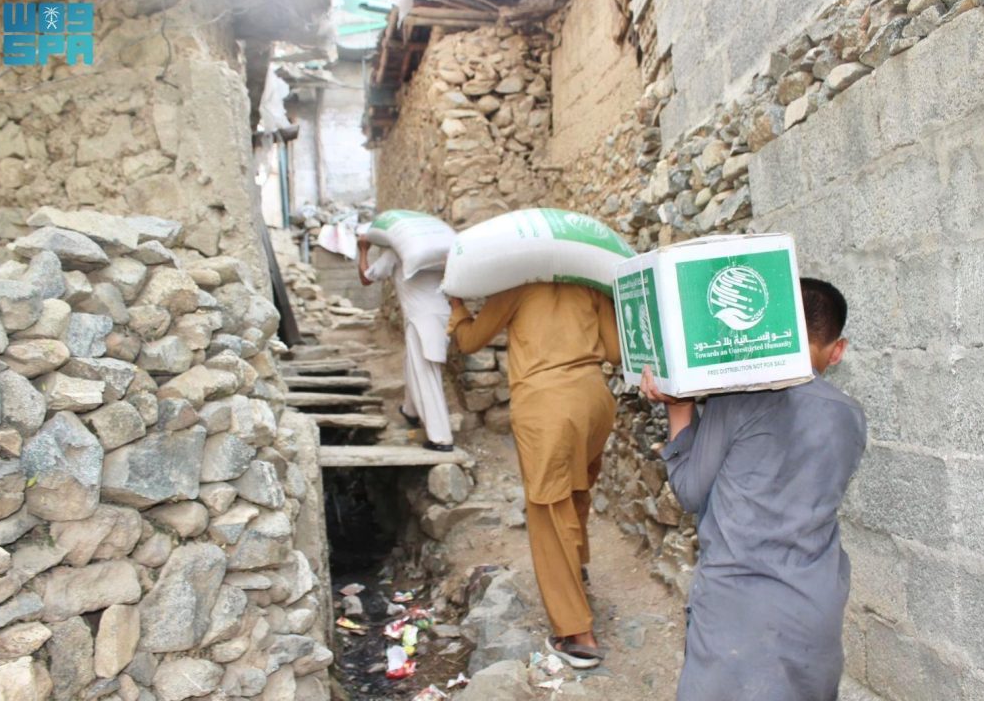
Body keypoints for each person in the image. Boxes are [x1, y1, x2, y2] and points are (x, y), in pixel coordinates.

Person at [640, 277, 867, 701]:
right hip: (814, 609)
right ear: (837, 351)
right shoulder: (850, 417)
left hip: (737, 613)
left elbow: (690, 491)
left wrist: (680, 407)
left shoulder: (737, 400)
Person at [447, 283, 621, 669]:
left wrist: (458, 308)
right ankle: (576, 569)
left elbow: (471, 340)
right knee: (577, 490)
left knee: (548, 509)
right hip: (594, 403)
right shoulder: (589, 288)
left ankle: (577, 634)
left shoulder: (516, 288)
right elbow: (614, 352)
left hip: (546, 408)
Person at [358, 236, 454, 452]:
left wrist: (363, 250)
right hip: (444, 315)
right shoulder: (437, 255)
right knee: (412, 363)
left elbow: (366, 278)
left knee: (426, 372)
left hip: (420, 319)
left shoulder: (395, 253)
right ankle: (410, 410)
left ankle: (441, 437)